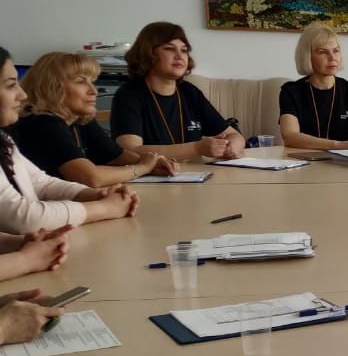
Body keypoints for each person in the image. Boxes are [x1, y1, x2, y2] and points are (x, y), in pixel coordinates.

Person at [0, 46, 138, 234]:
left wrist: (97, 195)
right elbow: (22, 217)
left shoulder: (3, 138)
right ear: (52, 86)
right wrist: (106, 207)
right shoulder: (42, 124)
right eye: (10, 85)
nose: (22, 94)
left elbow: (42, 184)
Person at [11, 52, 179, 186]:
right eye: (80, 82)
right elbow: (90, 178)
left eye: (92, 82)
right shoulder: (42, 124)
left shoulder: (79, 120)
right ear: (51, 87)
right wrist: (142, 167)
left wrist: (155, 162)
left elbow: (116, 157)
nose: (94, 91)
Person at [110, 22, 246, 160]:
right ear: (148, 54)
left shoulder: (189, 91)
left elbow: (234, 135)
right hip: (150, 173)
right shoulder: (129, 94)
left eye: (184, 50)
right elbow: (130, 151)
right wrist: (197, 148)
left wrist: (231, 147)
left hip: (194, 172)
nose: (179, 56)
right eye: (169, 49)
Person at [279, 24, 348, 149]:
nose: (332, 58)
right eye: (323, 52)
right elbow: (290, 137)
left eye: (336, 51)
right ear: (307, 56)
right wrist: (337, 145)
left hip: (344, 159)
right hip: (302, 158)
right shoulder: (291, 91)